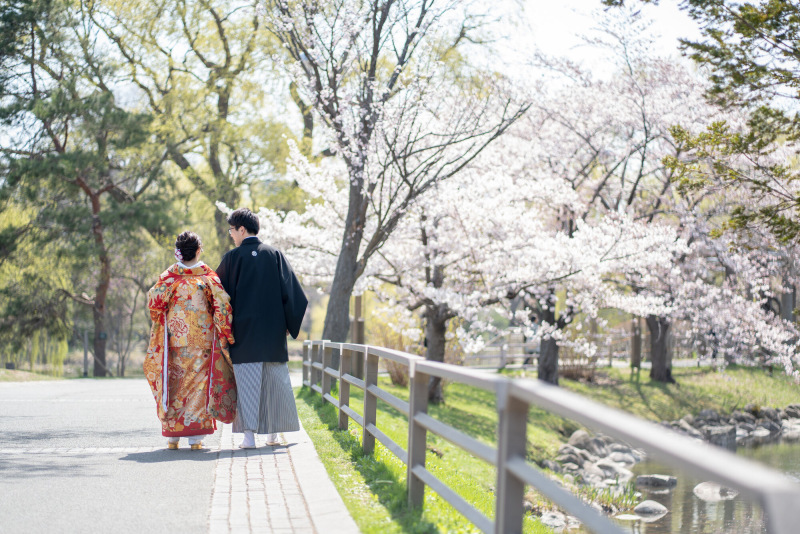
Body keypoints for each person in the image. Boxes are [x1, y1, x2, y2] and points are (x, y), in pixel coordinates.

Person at [216, 208, 308, 449]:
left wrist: (225, 329)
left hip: (244, 335)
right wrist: (288, 325)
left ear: (241, 229)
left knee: (247, 385)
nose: (231, 234)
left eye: (232, 230)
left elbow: (218, 297)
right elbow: (295, 295)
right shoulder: (275, 254)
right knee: (274, 384)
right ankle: (273, 435)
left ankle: (248, 437)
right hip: (272, 335)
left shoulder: (232, 258)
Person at [143, 231, 235, 450]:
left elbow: (154, 302)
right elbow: (222, 306)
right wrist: (226, 332)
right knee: (198, 388)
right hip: (203, 341)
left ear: (179, 252)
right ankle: (195, 438)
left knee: (174, 386)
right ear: (198, 250)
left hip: (174, 341)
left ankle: (173, 437)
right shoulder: (208, 277)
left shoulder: (170, 277)